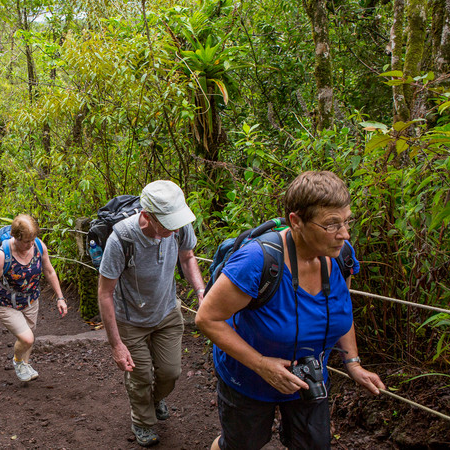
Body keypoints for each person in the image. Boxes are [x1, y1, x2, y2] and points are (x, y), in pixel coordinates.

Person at [195, 171, 384, 450]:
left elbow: (341, 310)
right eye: (331, 224)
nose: (344, 233)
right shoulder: (258, 261)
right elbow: (206, 319)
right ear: (296, 221)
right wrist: (262, 365)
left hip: (308, 378)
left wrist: (352, 363)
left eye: (347, 221)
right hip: (248, 379)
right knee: (241, 445)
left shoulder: (341, 254)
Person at [97, 180, 205, 448]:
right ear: (147, 216)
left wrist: (201, 290)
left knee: (171, 371)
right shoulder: (121, 239)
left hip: (167, 310)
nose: (176, 227)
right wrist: (116, 344)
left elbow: (188, 256)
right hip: (130, 319)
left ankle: (156, 400)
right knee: (140, 375)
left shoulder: (178, 226)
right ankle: (143, 421)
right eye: (168, 222)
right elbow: (105, 293)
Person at [0, 214, 67, 382]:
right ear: (15, 237)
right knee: (27, 338)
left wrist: (60, 297)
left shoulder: (39, 246)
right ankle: (18, 361)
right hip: (6, 304)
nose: (30, 244)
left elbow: (49, 271)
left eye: (32, 239)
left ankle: (24, 367)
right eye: (26, 241)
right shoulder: (1, 255)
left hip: (31, 301)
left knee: (28, 338)